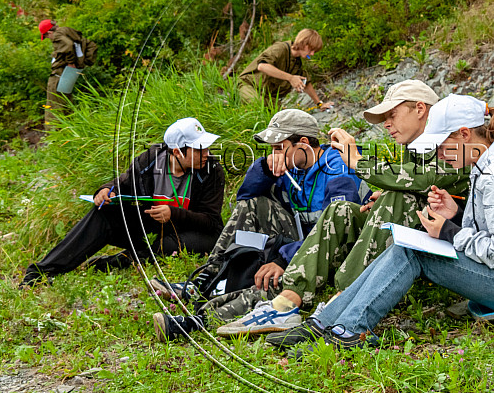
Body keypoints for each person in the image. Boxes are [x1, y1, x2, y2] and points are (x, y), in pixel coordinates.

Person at [264, 94, 494, 351]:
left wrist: (448, 230)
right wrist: (454, 215)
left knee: (412, 251)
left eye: (442, 145)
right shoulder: (490, 164)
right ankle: (325, 323)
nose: (439, 153)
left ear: (465, 135)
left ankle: (348, 330)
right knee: (408, 245)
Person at [151, 109, 370, 341]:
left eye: (278, 147)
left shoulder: (336, 167)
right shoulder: (292, 165)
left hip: (336, 251)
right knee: (254, 205)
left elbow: (333, 229)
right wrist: (265, 167)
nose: (274, 154)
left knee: (277, 277)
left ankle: (200, 321)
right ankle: (205, 279)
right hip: (301, 241)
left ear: (303, 143)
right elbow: (245, 199)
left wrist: (284, 259)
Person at [20, 118, 225, 287]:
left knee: (172, 244)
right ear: (177, 152)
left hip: (191, 232)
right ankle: (42, 271)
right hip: (153, 226)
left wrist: (174, 213)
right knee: (103, 212)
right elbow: (123, 183)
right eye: (199, 149)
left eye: (207, 147)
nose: (206, 153)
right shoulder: (150, 160)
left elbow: (211, 221)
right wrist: (105, 191)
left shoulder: (212, 170)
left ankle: (117, 261)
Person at [237, 29, 333, 110]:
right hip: (248, 85)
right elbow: (262, 66)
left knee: (284, 117)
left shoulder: (297, 63)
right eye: (311, 50)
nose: (312, 54)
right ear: (304, 43)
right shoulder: (280, 48)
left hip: (267, 96)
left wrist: (320, 104)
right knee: (258, 104)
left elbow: (306, 83)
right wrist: (290, 78)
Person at [38, 19, 97, 128]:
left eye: (46, 36)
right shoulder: (68, 31)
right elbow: (91, 46)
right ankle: (71, 130)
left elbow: (68, 45)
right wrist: (83, 61)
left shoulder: (57, 36)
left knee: (53, 105)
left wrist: (70, 62)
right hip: (69, 73)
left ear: (49, 33)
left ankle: (54, 136)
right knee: (66, 103)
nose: (48, 39)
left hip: (60, 74)